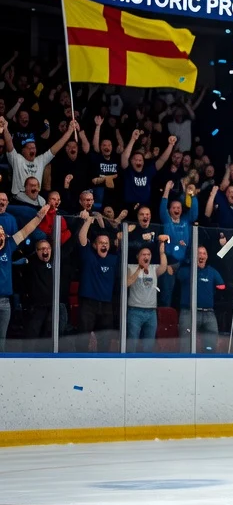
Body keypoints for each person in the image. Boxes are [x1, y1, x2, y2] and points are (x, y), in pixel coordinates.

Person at [0, 203, 54, 350]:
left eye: (2, 232)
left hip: (4, 302)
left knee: (2, 340)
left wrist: (38, 218)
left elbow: (24, 232)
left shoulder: (8, 246)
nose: (1, 235)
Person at [76, 210, 121, 351]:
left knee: (105, 341)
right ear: (95, 245)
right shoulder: (89, 256)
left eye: (106, 243)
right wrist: (88, 220)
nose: (104, 245)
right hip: (88, 304)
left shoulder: (113, 259)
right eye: (101, 243)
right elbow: (82, 237)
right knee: (83, 339)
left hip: (107, 305)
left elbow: (120, 241)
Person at [1, 115, 76, 198]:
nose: (32, 150)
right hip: (19, 198)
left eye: (34, 148)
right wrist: (5, 128)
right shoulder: (17, 159)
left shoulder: (40, 160)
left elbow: (56, 147)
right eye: (29, 148)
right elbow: (9, 143)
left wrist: (69, 131)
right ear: (23, 151)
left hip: (35, 199)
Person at [126, 239, 170, 352]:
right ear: (138, 256)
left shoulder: (153, 268)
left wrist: (161, 253)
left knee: (148, 345)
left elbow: (164, 267)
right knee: (132, 344)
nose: (146, 256)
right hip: (135, 311)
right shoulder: (130, 267)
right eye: (143, 254)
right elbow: (127, 283)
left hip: (151, 312)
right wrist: (139, 269)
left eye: (148, 254)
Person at [179, 246, 224, 351]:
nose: (201, 255)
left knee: (210, 347)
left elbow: (222, 286)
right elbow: (179, 277)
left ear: (207, 256)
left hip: (209, 313)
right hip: (189, 312)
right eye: (199, 253)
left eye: (204, 253)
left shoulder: (212, 271)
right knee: (186, 347)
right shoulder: (186, 270)